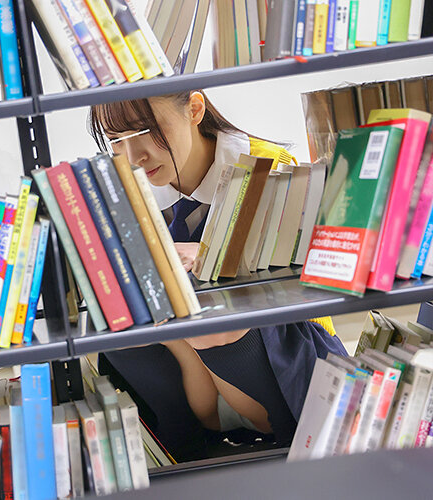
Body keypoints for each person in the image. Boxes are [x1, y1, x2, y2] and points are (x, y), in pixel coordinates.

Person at [88, 90, 348, 460]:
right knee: (116, 312)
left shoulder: (267, 166)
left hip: (283, 354)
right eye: (116, 139)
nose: (133, 156)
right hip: (194, 375)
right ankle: (184, 448)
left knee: (212, 315)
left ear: (195, 110)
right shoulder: (128, 191)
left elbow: (306, 287)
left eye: (146, 131)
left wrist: (213, 258)